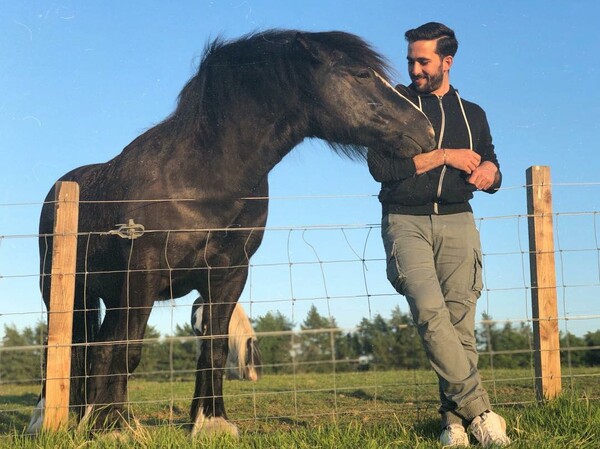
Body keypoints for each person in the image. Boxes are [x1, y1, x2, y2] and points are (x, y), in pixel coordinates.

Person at [367, 22, 511, 447]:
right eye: (411, 59)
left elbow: (492, 163)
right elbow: (382, 169)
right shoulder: (393, 105)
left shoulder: (475, 114)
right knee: (431, 316)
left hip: (458, 220)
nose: (414, 68)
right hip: (404, 220)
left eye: (423, 60)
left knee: (460, 327)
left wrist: (491, 172)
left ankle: (453, 423)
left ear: (447, 62)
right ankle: (481, 412)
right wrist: (443, 156)